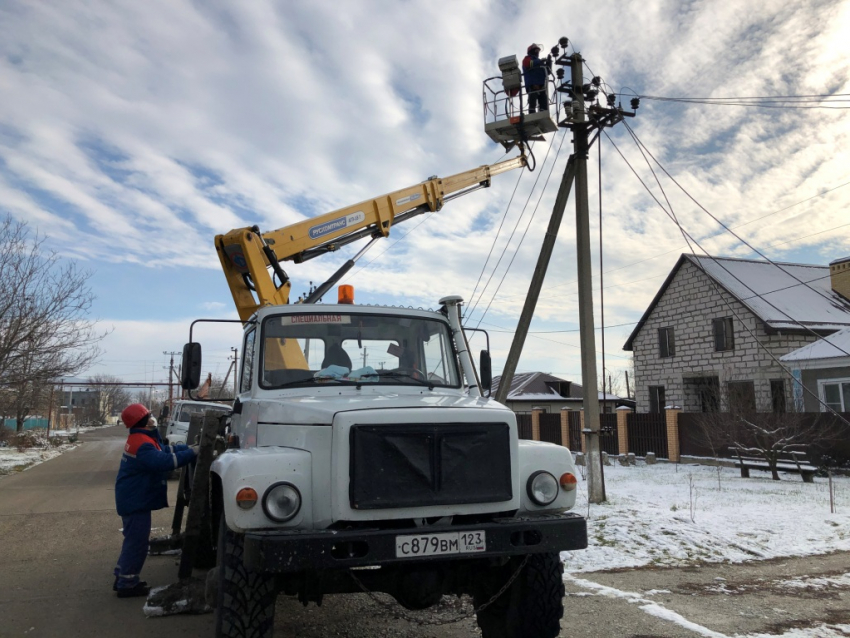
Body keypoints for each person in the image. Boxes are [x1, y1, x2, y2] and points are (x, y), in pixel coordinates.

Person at [112, 403, 198, 598]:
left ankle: (122, 576)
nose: (153, 418)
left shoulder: (141, 439)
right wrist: (193, 453)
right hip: (135, 501)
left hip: (133, 499)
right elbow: (164, 462)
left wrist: (189, 448)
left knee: (133, 541)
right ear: (142, 421)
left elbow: (164, 451)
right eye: (149, 416)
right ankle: (127, 584)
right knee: (138, 543)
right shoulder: (142, 444)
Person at [522, 43, 550, 114]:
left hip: (541, 86)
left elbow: (547, 72)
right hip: (533, 85)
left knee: (544, 104)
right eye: (536, 50)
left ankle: (543, 112)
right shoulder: (527, 59)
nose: (537, 52)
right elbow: (527, 64)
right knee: (532, 104)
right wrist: (539, 61)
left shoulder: (539, 62)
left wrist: (549, 63)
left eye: (538, 50)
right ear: (531, 51)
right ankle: (532, 113)